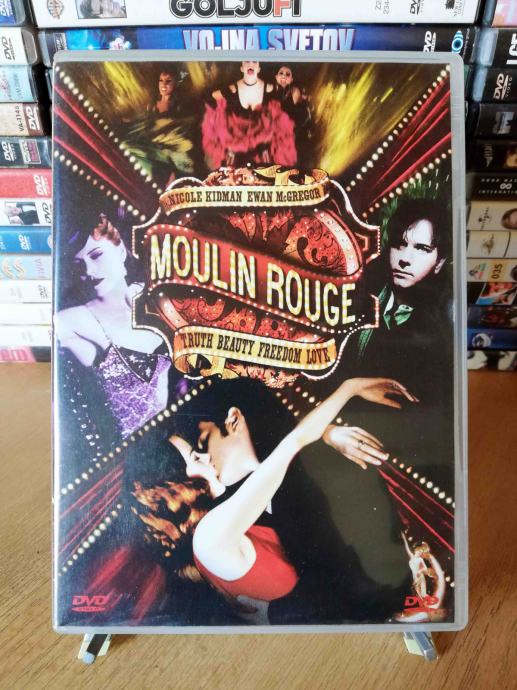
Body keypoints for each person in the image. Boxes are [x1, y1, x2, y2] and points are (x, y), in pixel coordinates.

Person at [129, 376, 416, 623]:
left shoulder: (231, 521)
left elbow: (284, 447)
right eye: (194, 456)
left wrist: (328, 433)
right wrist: (350, 388)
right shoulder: (210, 536)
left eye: (199, 448)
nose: (203, 459)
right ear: (176, 491)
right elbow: (293, 442)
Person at [56, 213, 171, 441]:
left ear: (120, 251)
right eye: (79, 265)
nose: (89, 271)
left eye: (96, 255)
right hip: (130, 449)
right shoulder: (75, 320)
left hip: (171, 435)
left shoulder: (152, 295)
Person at [202, 61, 297, 170]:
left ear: (259, 68)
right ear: (242, 68)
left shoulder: (272, 89)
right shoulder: (230, 90)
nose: (250, 64)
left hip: (263, 157)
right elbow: (210, 102)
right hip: (236, 157)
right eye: (247, 61)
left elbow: (282, 123)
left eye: (254, 62)